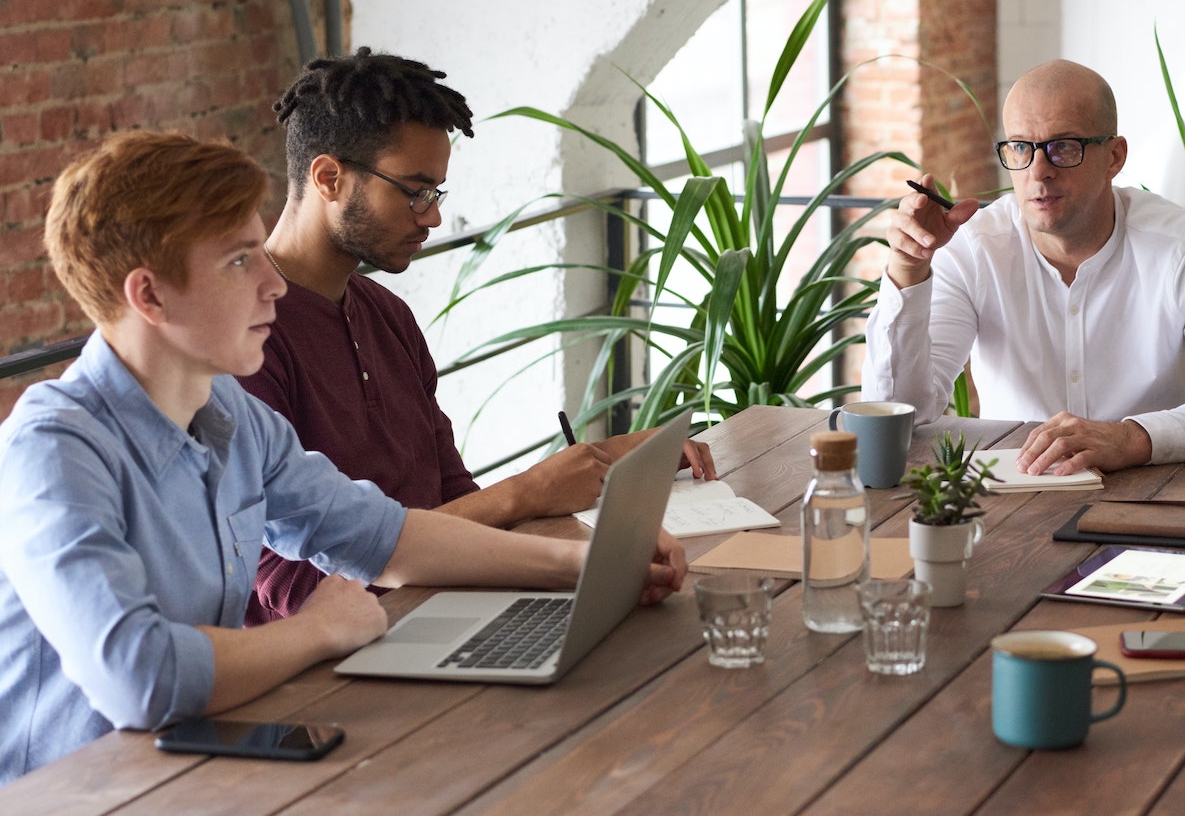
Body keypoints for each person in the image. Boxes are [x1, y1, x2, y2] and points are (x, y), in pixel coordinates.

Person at [0, 132, 686, 783]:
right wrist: (320, 630)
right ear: (147, 294)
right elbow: (138, 678)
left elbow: (385, 535)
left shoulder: (232, 417)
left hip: (197, 766)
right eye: (240, 259)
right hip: (78, 792)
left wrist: (592, 565)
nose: (273, 284)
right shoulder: (52, 450)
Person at [243, 48, 713, 624]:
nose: (431, 217)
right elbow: (294, 593)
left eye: (436, 193)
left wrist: (600, 469)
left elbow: (452, 499)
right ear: (329, 178)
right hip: (335, 669)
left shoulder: (387, 315)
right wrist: (527, 493)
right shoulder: (246, 342)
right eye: (414, 191)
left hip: (447, 612)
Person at [863, 59, 1185, 477]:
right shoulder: (975, 248)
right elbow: (899, 415)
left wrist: (1130, 439)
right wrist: (907, 269)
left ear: (1114, 157)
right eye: (1020, 147)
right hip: (1014, 498)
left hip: (1162, 495)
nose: (1038, 172)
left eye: (1063, 147)